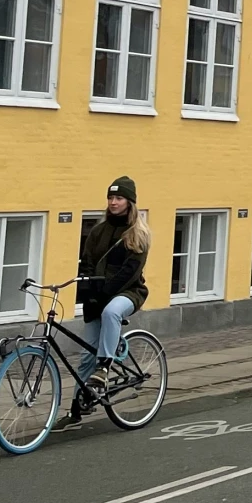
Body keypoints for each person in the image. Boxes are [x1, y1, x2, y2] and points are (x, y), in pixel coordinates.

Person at [72, 177, 150, 420]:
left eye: (119, 198)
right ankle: (78, 406)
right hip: (97, 295)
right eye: (110, 198)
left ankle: (105, 366)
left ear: (129, 202)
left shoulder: (138, 233)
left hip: (128, 292)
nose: (113, 202)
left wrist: (105, 295)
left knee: (111, 312)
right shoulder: (98, 231)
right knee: (86, 356)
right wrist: (88, 293)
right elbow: (87, 263)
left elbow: (130, 272)